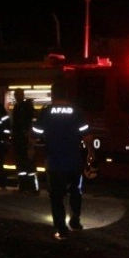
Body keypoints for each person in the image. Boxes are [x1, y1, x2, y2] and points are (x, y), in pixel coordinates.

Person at [31, 82, 95, 240]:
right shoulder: (76, 111)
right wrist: (90, 153)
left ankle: (61, 230)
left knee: (56, 197)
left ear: (53, 94)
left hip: (55, 162)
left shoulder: (46, 112)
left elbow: (34, 135)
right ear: (66, 94)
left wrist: (30, 149)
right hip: (74, 161)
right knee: (75, 192)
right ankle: (75, 222)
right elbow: (87, 136)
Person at [12, 89, 38, 195]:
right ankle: (24, 186)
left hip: (23, 141)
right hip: (20, 140)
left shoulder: (23, 107)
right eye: (17, 95)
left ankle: (30, 187)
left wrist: (25, 133)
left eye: (19, 95)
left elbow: (22, 123)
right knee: (24, 165)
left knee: (27, 165)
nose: (18, 97)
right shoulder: (20, 107)